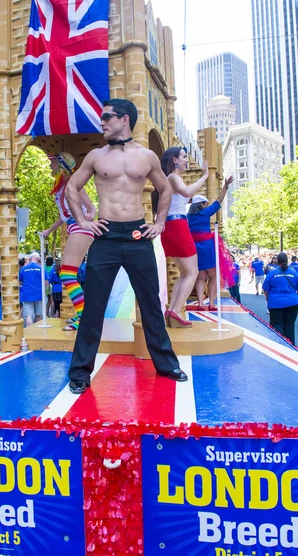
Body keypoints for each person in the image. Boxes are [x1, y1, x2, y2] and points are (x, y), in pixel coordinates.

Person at [65, 98, 187, 394]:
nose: (102, 122)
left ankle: (167, 364)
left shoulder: (146, 157)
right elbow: (72, 187)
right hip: (105, 236)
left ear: (124, 120)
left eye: (107, 117)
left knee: (150, 304)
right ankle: (80, 372)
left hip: (137, 236)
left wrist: (159, 223)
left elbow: (165, 189)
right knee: (93, 307)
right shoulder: (96, 156)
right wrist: (83, 221)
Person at [42, 151, 96, 331]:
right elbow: (64, 216)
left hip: (81, 227)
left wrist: (89, 215)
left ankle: (84, 318)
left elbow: (91, 207)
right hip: (74, 226)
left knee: (67, 274)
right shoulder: (62, 188)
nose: (50, 166)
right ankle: (83, 314)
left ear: (61, 166)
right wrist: (49, 230)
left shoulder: (74, 184)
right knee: (68, 274)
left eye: (52, 163)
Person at [156, 147, 208, 326]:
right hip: (177, 225)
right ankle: (177, 310)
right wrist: (204, 177)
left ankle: (172, 310)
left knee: (184, 273)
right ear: (175, 160)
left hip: (172, 225)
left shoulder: (169, 179)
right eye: (184, 156)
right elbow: (187, 193)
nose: (187, 159)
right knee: (192, 272)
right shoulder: (173, 177)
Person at [187, 176, 234, 311]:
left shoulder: (188, 217)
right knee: (213, 275)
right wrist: (225, 186)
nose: (206, 205)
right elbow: (219, 201)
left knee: (200, 276)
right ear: (201, 204)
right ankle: (211, 304)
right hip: (207, 246)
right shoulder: (205, 213)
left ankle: (201, 303)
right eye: (205, 203)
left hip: (195, 248)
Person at [262, 252, 298, 345]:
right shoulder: (294, 273)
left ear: (277, 261)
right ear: (287, 260)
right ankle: (291, 347)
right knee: (289, 326)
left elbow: (265, 289)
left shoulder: (272, 273)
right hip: (292, 302)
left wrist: (268, 298)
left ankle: (278, 346)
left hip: (275, 303)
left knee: (277, 326)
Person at [19, 252, 48, 326]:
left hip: (27, 294)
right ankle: (37, 332)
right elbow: (46, 282)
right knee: (38, 314)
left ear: (30, 258)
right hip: (39, 294)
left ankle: (30, 333)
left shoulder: (23, 268)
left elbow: (20, 282)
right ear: (38, 259)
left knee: (28, 315)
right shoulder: (41, 268)